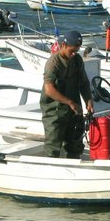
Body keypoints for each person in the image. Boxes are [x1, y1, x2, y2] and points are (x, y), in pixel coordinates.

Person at [41, 30, 94, 158]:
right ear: (63, 46)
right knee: (53, 143)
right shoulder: (53, 63)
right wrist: (69, 102)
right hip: (55, 109)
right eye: (71, 51)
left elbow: (84, 83)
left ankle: (74, 164)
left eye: (76, 51)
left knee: (75, 141)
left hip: (73, 109)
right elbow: (49, 89)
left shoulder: (77, 60)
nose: (74, 54)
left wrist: (88, 101)